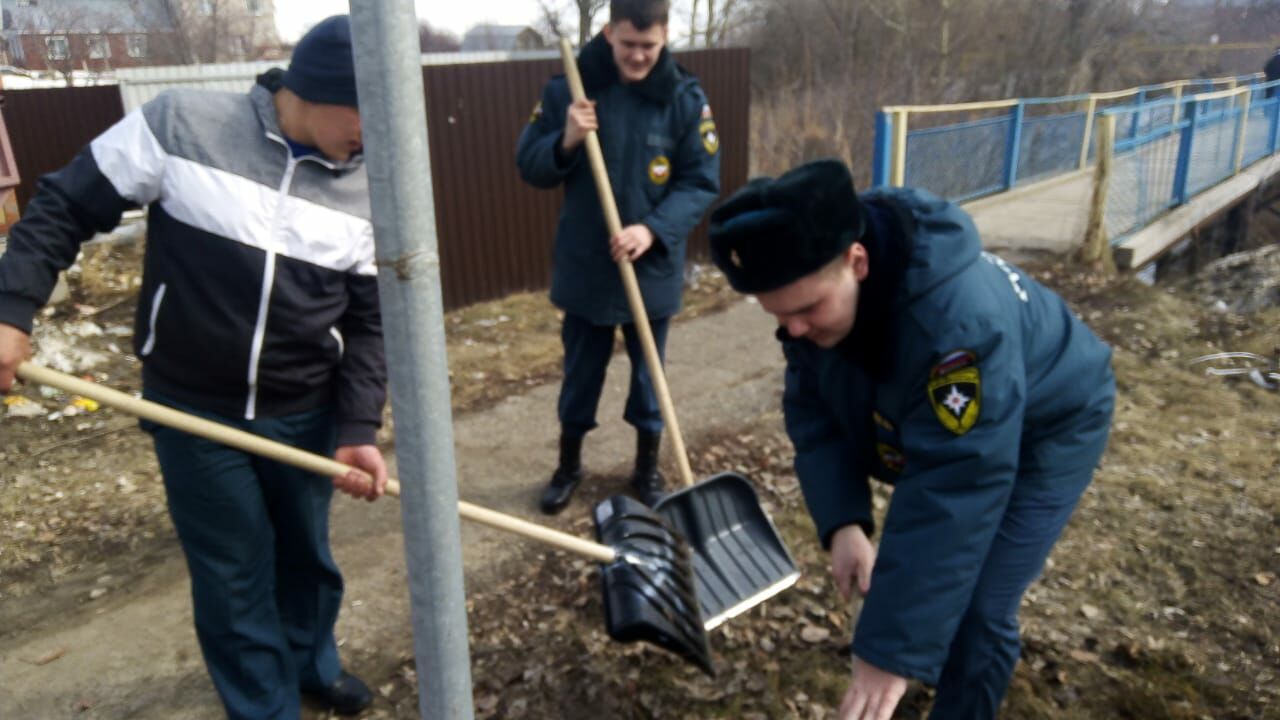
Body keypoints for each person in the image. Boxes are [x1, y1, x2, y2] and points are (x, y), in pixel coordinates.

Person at [0, 16, 388, 719]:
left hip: (306, 409)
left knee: (307, 557)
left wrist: (357, 423)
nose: (379, 136)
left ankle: (310, 663)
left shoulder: (374, 185)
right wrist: (9, 312)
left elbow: (370, 325)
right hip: (190, 409)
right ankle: (264, 708)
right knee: (234, 572)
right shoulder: (181, 125)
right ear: (317, 90)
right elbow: (61, 204)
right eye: (371, 112)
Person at [708, 159, 1115, 720]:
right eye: (780, 317)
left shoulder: (957, 329)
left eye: (806, 310)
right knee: (934, 581)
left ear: (858, 261)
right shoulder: (816, 293)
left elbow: (956, 482)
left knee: (979, 605)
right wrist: (843, 521)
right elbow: (813, 411)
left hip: (1050, 425)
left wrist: (888, 650)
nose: (795, 331)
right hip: (971, 432)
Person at [516, 0, 721, 514]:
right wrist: (566, 139)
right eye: (628, 44)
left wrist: (652, 230)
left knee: (650, 376)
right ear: (609, 32)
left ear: (665, 36)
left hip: (648, 270)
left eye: (649, 46)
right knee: (580, 375)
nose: (638, 56)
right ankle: (568, 467)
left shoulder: (683, 98)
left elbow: (700, 182)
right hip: (587, 266)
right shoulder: (570, 88)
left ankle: (647, 470)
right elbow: (529, 164)